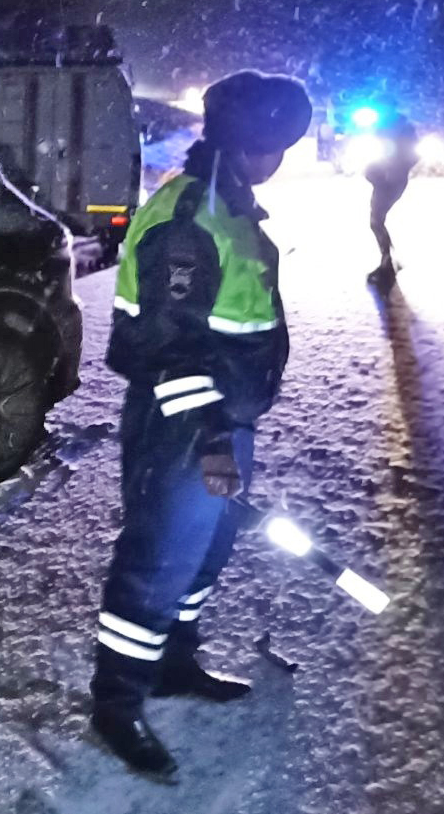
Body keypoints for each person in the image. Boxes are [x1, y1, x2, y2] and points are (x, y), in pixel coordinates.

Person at [91, 70, 311, 780]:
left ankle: (173, 662)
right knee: (155, 563)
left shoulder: (231, 205)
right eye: (274, 143)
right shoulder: (190, 219)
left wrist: (230, 429)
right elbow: (165, 348)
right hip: (181, 424)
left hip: (223, 420)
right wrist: (213, 440)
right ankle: (116, 705)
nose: (279, 157)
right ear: (249, 145)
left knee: (207, 551)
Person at [364, 113, 418, 285]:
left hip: (389, 181)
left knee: (376, 221)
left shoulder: (400, 130)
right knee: (376, 221)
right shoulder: (391, 128)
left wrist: (395, 169)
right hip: (384, 180)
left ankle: (387, 263)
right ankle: (388, 260)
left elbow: (412, 155)